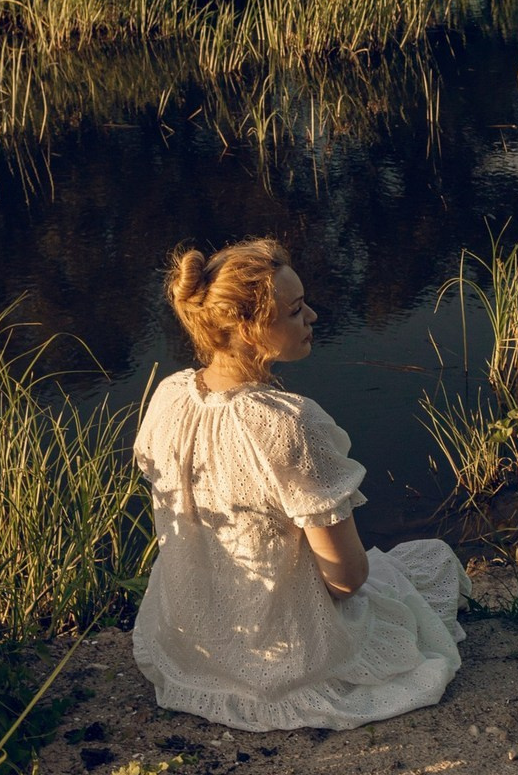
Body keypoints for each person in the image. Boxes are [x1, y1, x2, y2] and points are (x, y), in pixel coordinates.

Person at [132, 237, 470, 732]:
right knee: (431, 563)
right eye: (294, 311)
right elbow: (346, 579)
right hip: (283, 650)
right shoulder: (288, 425)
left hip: (188, 636)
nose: (312, 315)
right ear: (247, 329)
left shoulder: (169, 396)